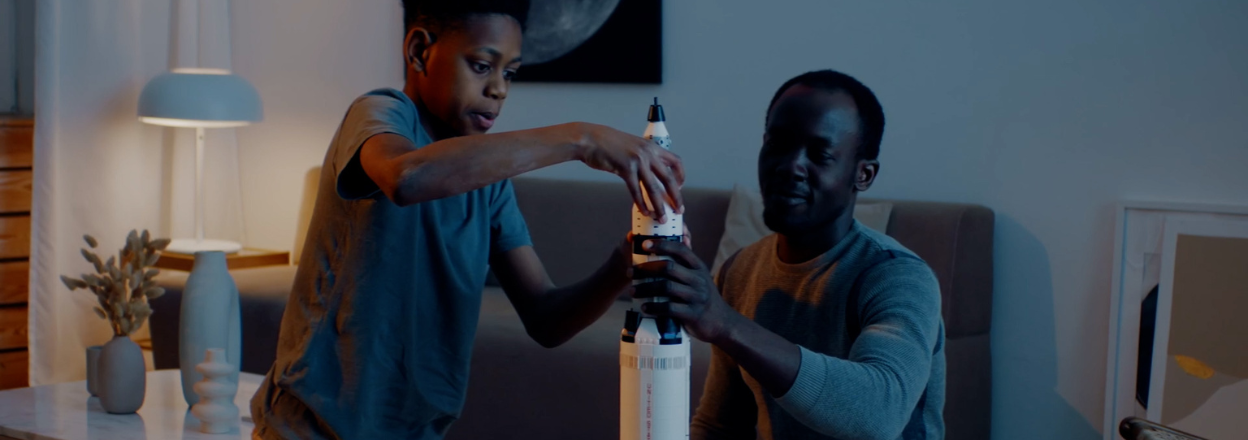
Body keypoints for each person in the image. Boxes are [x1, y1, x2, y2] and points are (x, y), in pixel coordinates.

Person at [248, 1, 686, 438]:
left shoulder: (491, 183)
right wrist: (580, 138)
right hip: (309, 428)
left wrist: (621, 266)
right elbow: (407, 177)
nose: (499, 89)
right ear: (420, 51)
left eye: (510, 73)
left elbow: (547, 319)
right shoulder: (380, 113)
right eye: (481, 66)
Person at [636, 70, 945, 439]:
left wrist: (726, 323)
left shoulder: (896, 276)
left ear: (863, 175)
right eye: (778, 144)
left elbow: (878, 415)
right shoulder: (741, 270)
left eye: (819, 154)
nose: (790, 166)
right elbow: (721, 425)